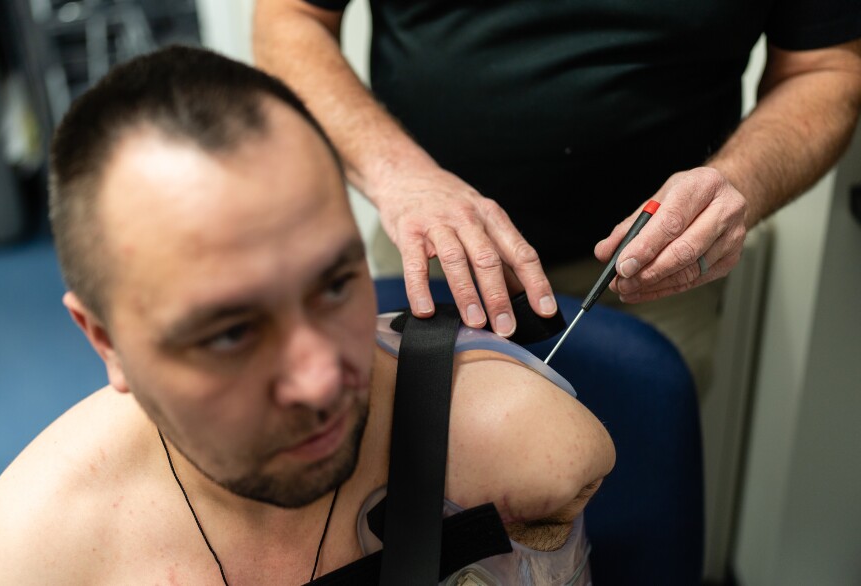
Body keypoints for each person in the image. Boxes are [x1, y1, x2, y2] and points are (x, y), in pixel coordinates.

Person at [0, 46, 615, 584]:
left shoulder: (521, 454)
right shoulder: (40, 552)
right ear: (107, 342)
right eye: (231, 333)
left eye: (335, 285)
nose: (319, 381)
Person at [253, 0, 861, 391]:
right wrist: (399, 174)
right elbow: (289, 16)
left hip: (662, 274)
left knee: (622, 502)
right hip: (433, 254)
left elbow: (826, 70)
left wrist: (741, 182)